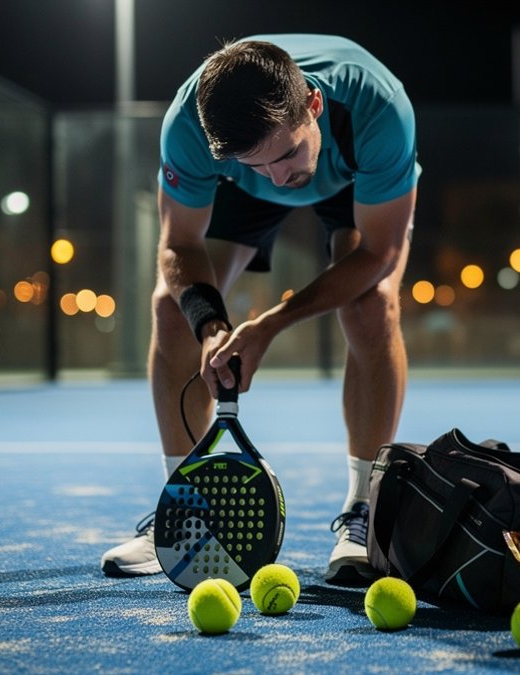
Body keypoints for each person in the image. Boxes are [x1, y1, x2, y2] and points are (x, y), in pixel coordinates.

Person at [100, 34, 419, 584]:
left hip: (349, 181)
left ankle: (364, 510)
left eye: (288, 153)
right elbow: (178, 245)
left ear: (313, 106)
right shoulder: (189, 126)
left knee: (374, 306)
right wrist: (212, 328)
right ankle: (186, 511)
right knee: (173, 310)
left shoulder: (377, 106)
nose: (279, 176)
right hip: (235, 190)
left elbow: (378, 253)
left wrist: (271, 324)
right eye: (259, 162)